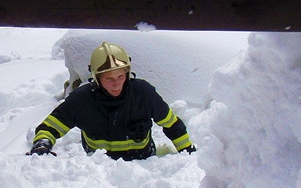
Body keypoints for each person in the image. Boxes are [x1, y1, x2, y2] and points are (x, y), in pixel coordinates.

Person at [28, 42, 195, 160]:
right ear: (96, 78)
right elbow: (50, 127)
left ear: (128, 73)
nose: (116, 84)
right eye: (109, 78)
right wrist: (42, 144)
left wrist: (187, 151)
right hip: (100, 177)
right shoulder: (81, 100)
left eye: (121, 76)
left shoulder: (144, 94)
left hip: (145, 169)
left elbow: (172, 124)